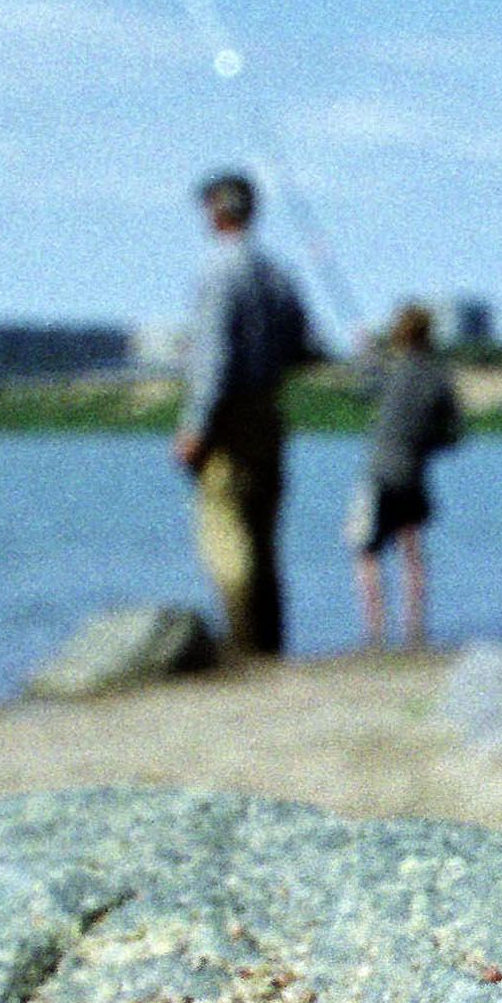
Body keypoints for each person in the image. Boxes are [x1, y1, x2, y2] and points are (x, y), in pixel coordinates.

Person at [173, 172, 318, 657]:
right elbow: (305, 347)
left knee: (225, 530)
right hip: (269, 413)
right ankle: (271, 644)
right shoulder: (279, 275)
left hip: (228, 419)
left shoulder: (217, 271)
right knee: (264, 533)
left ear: (216, 211)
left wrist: (195, 427)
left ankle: (244, 644)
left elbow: (214, 359)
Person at [346, 303, 462, 647]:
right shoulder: (439, 378)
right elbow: (454, 434)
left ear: (399, 332)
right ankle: (415, 632)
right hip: (414, 474)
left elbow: (363, 390)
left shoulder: (391, 372)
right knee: (412, 553)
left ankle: (376, 633)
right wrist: (425, 445)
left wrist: (365, 355)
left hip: (379, 473)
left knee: (365, 551)